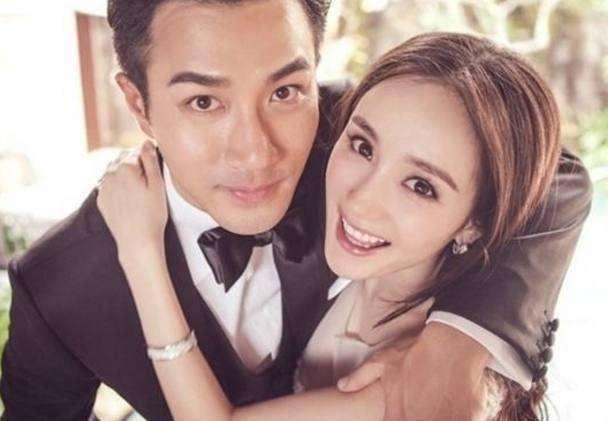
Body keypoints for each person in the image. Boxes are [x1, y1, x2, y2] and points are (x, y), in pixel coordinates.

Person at [0, 0, 591, 419]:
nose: (255, 153)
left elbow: (548, 172)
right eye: (203, 102)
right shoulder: (60, 287)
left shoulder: (357, 141)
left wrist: (455, 342)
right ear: (138, 103)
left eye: (285, 91)